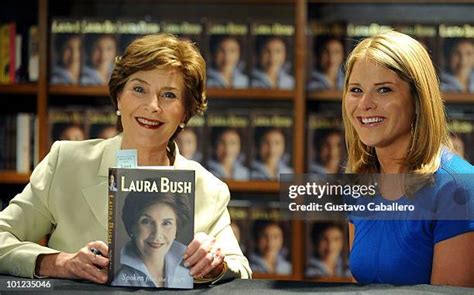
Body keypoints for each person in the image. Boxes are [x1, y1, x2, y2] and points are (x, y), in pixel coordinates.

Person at [0, 33, 251, 284]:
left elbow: (240, 268)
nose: (152, 105)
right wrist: (60, 263)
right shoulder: (66, 163)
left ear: (185, 112)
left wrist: (215, 264)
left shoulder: (209, 188)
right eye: (139, 89)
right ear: (119, 97)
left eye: (169, 95)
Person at [343, 31, 474, 286]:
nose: (365, 103)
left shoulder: (460, 187)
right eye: (356, 90)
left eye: (384, 89)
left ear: (418, 99)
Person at [112, 192, 193, 288]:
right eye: (147, 222)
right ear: (132, 227)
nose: (157, 234)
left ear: (176, 229)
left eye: (166, 223)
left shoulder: (187, 278)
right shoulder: (119, 282)